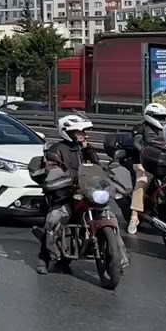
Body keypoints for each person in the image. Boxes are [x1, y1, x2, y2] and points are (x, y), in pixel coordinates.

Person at [38, 113, 129, 273]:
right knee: (54, 218)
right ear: (69, 132)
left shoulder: (83, 149)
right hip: (66, 194)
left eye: (83, 132)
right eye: (80, 132)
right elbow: (51, 169)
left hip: (88, 192)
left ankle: (118, 259)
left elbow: (97, 167)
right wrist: (61, 179)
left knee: (111, 218)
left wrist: (89, 150)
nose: (84, 135)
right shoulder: (56, 150)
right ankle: (44, 257)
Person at [126, 102, 166, 233]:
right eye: (159, 116)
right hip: (144, 163)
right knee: (142, 183)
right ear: (150, 116)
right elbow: (137, 142)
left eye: (164, 116)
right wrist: (146, 150)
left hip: (164, 163)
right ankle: (134, 217)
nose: (163, 119)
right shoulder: (140, 127)